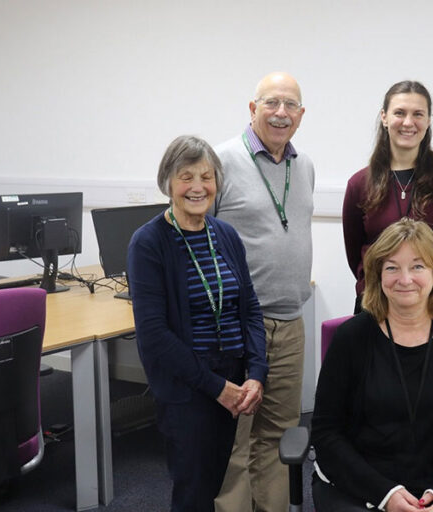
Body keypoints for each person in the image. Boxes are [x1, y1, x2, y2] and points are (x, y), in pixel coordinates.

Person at [311, 218, 433, 511]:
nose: (405, 278)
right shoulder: (352, 339)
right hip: (361, 487)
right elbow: (326, 434)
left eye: (418, 266)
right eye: (392, 268)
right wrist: (386, 494)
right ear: (378, 276)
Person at [127, 135, 268, 511]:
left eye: (206, 177)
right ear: (168, 183)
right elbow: (155, 335)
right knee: (193, 489)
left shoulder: (225, 234)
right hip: (189, 387)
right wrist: (217, 388)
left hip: (232, 377)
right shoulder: (148, 243)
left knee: (215, 479)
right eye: (186, 176)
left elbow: (250, 308)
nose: (197, 187)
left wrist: (255, 372)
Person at [213, 72, 314, 512]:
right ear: (252, 109)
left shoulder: (303, 165)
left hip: (291, 319)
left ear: (301, 115)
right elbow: (194, 235)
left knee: (278, 432)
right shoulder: (220, 161)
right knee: (234, 435)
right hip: (237, 324)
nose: (281, 113)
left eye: (290, 105)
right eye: (271, 103)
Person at [342, 80, 433, 316]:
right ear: (384, 117)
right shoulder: (359, 184)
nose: (408, 122)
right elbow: (356, 255)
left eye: (418, 114)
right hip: (376, 306)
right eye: (399, 113)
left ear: (428, 121)